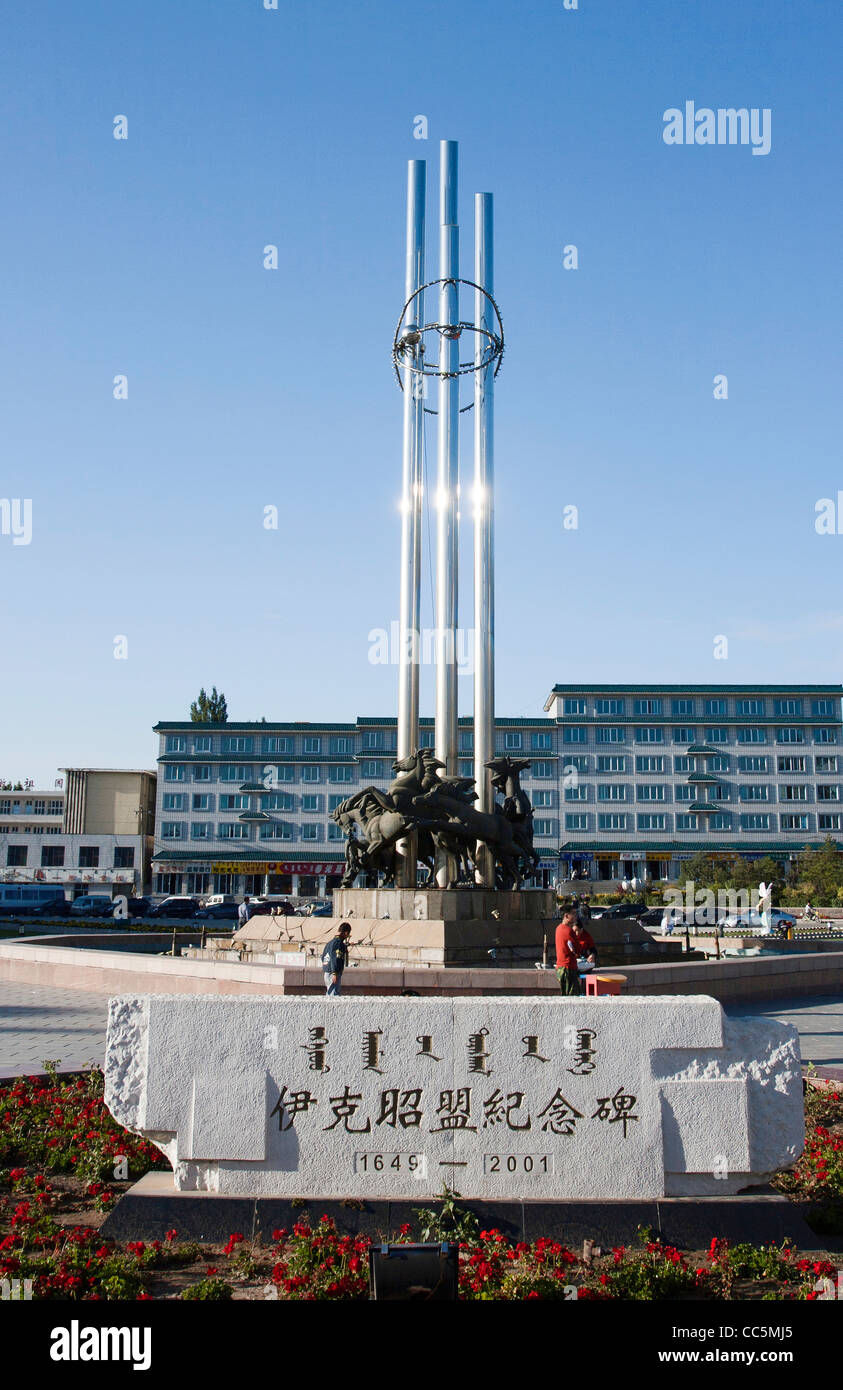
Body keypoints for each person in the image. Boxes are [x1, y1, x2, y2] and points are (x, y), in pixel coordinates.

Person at [555, 907, 582, 995]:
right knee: (573, 996)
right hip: (568, 968)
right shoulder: (568, 931)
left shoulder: (558, 928)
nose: (575, 916)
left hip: (560, 967)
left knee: (564, 995)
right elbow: (578, 950)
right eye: (573, 914)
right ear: (566, 916)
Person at [322, 921, 352, 996]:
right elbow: (334, 958)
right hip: (333, 973)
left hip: (327, 972)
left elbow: (323, 957)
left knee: (330, 994)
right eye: (348, 934)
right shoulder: (338, 943)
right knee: (334, 995)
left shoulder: (330, 942)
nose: (347, 936)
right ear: (345, 933)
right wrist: (334, 973)